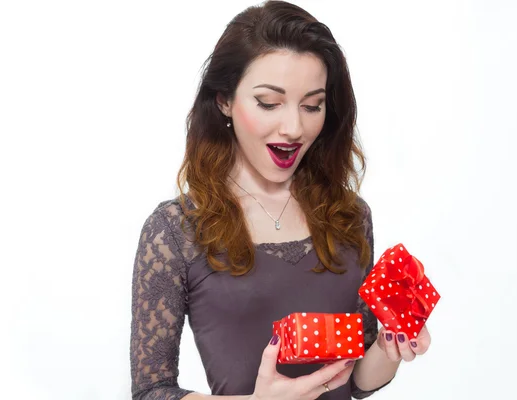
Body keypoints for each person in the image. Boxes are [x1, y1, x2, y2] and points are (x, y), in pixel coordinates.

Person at [130, 1, 431, 399]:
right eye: (269, 103)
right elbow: (151, 391)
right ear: (224, 100)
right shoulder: (175, 230)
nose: (293, 128)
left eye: (312, 106)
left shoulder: (350, 215)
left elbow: (357, 380)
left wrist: (393, 347)